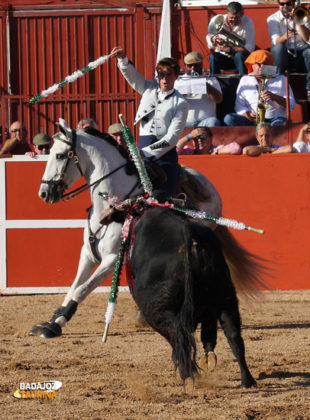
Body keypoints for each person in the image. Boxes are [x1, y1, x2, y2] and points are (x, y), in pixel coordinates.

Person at [111, 46, 189, 194]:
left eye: (169, 75)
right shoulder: (148, 88)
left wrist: (144, 152)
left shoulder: (181, 103)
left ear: (176, 76)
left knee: (165, 194)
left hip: (164, 155)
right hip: (143, 143)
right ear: (157, 75)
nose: (165, 79)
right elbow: (132, 76)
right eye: (161, 74)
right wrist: (122, 58)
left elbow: (172, 138)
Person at [224, 50, 296, 127]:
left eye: (264, 63)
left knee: (278, 124)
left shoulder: (280, 78)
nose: (261, 66)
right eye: (258, 64)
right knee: (229, 118)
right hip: (253, 121)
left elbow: (291, 104)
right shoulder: (245, 79)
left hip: (275, 119)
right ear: (252, 65)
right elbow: (239, 106)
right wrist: (247, 114)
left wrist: (275, 97)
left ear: (270, 65)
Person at [267, 0, 310, 100]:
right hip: (283, 55)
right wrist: (285, 37)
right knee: (278, 48)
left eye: (288, 4)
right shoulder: (273, 18)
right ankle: (278, 85)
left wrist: (299, 22)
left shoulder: (303, 14)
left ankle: (309, 89)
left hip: (301, 54)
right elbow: (275, 41)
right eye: (282, 4)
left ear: (293, 4)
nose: (285, 6)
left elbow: (308, 39)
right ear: (278, 5)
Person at [206, 2, 255, 75]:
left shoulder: (247, 22)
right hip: (224, 56)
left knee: (239, 55)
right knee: (213, 56)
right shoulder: (218, 20)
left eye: (237, 18)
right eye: (231, 18)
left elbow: (250, 47)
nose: (233, 20)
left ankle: (243, 82)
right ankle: (214, 83)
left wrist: (230, 49)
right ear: (227, 14)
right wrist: (214, 40)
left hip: (240, 58)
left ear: (242, 15)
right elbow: (209, 36)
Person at [174, 51, 222, 127]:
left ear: (201, 64)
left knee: (213, 122)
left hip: (205, 122)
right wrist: (181, 94)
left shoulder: (211, 79)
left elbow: (218, 100)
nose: (193, 68)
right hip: (185, 123)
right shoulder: (178, 81)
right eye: (190, 66)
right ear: (185, 66)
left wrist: (207, 87)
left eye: (196, 65)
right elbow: (172, 103)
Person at [177, 126, 241, 155]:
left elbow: (236, 148)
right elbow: (174, 151)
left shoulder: (218, 149)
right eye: (196, 138)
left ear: (210, 138)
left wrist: (216, 152)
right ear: (193, 141)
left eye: (202, 137)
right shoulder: (187, 151)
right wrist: (189, 136)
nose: (199, 140)